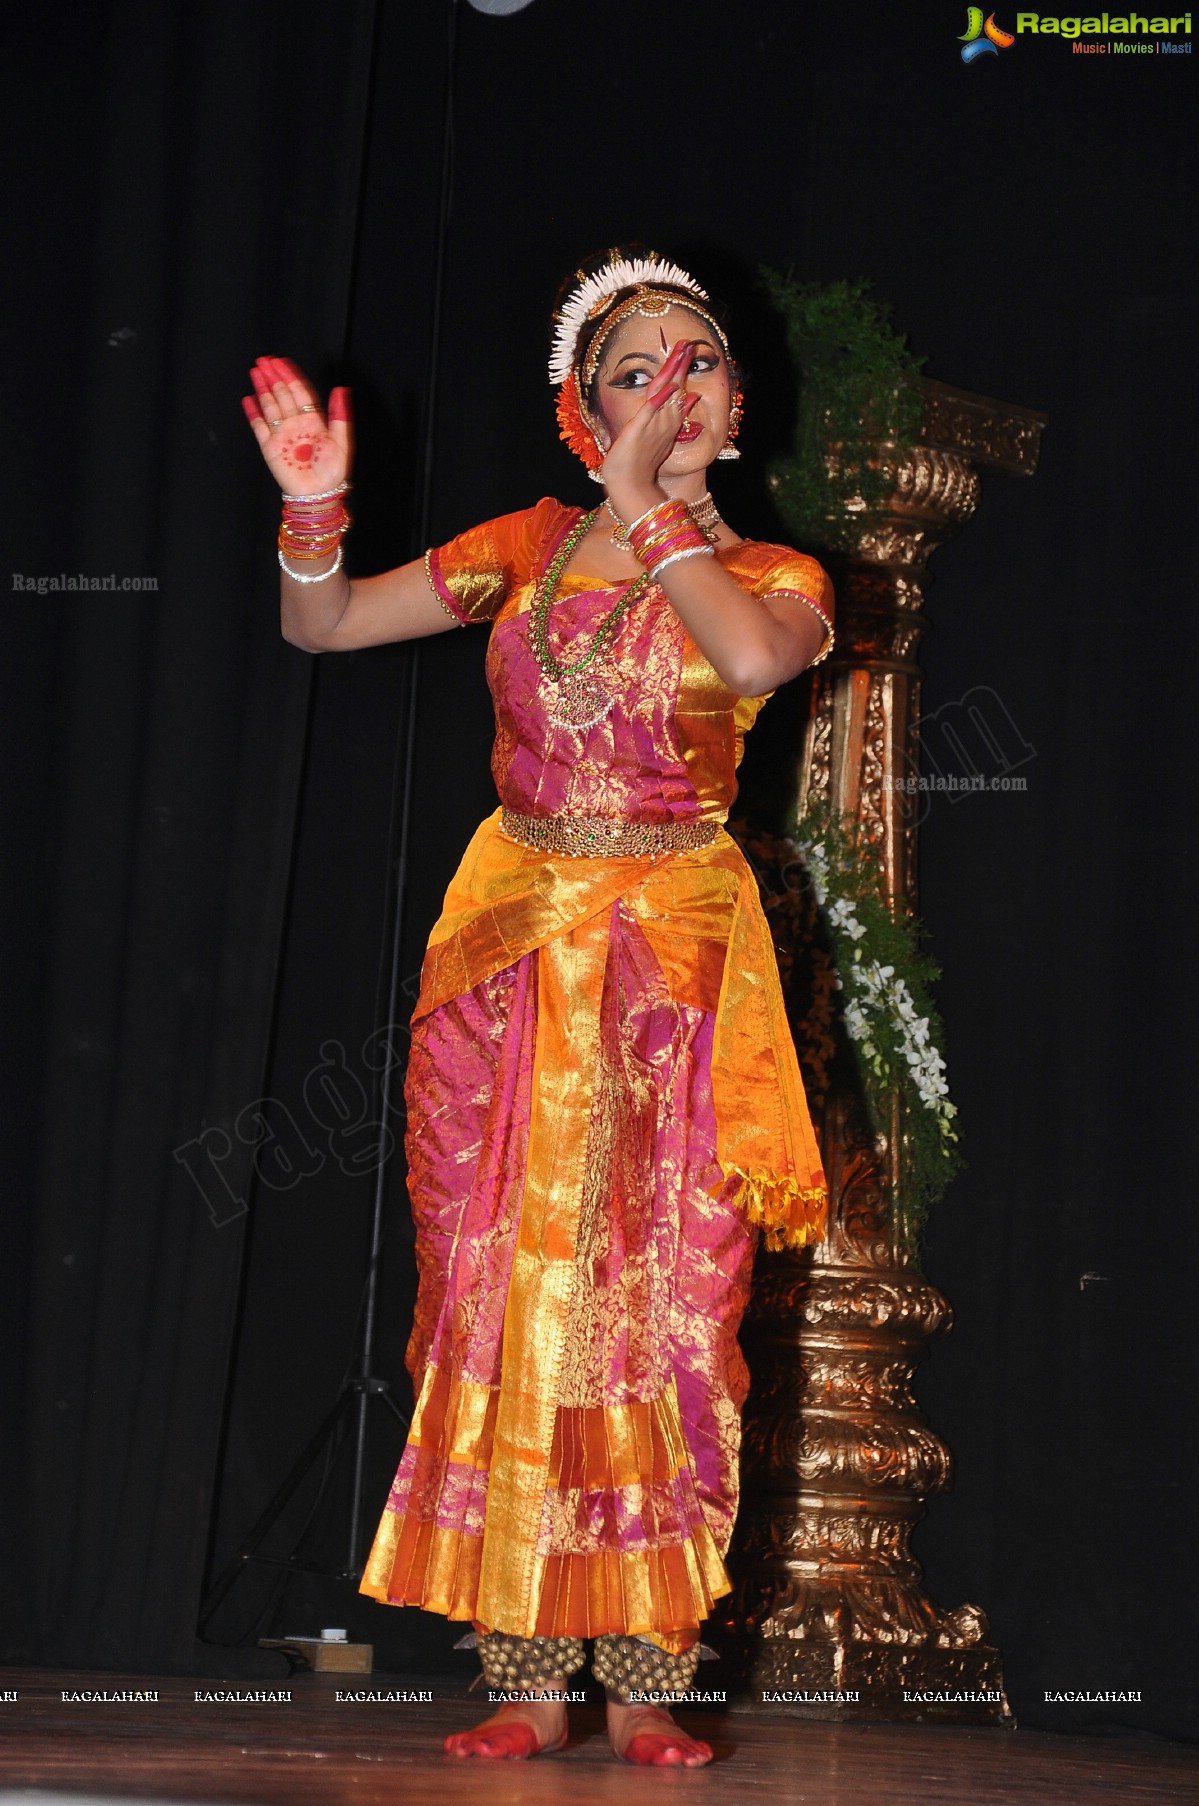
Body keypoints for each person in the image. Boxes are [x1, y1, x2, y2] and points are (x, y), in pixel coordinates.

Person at [242, 249, 833, 1768]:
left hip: (673, 983)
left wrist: (655, 509)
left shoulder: (777, 578)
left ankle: (646, 1673)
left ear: (738, 405)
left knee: (667, 1312)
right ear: (585, 417)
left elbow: (752, 661)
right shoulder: (528, 544)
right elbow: (324, 630)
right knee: (500, 1295)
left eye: (698, 361)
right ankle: (523, 1664)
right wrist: (315, 506)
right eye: (636, 369)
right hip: (509, 965)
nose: (673, 384)